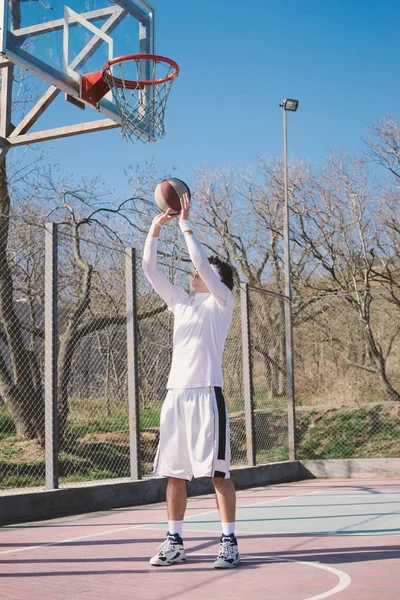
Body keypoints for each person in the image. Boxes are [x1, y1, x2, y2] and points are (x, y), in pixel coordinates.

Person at [142, 192, 239, 569]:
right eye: (198, 270)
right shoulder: (181, 302)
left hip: (207, 396)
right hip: (176, 397)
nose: (195, 271)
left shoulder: (222, 302)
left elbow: (200, 259)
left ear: (219, 280)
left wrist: (185, 223)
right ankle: (174, 541)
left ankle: (228, 542)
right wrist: (155, 227)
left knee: (218, 474)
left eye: (205, 269)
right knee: (174, 474)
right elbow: (151, 270)